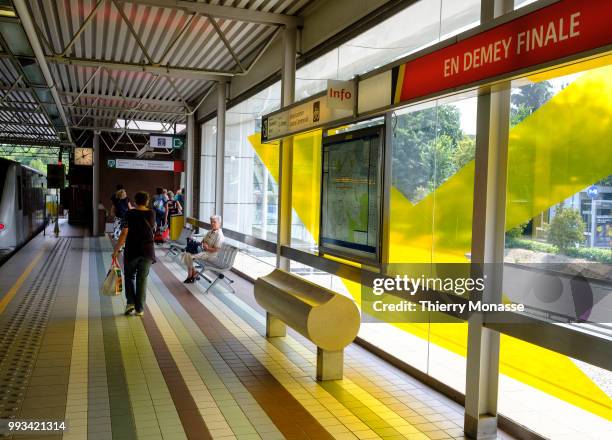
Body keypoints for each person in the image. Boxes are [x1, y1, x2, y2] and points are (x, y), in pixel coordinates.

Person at [112, 191, 156, 317]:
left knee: (130, 277)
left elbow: (124, 233)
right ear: (147, 201)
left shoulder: (129, 213)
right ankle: (140, 309)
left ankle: (130, 303)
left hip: (132, 250)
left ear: (135, 201)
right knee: (142, 279)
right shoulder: (151, 213)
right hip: (147, 251)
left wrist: (116, 250)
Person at [183, 215, 224, 283]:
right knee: (186, 254)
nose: (212, 223)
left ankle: (190, 275)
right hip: (204, 251)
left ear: (219, 223)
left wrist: (207, 248)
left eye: (214, 222)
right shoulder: (210, 231)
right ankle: (193, 273)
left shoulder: (219, 235)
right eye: (211, 222)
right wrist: (202, 244)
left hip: (211, 255)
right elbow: (203, 241)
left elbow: (217, 250)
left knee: (188, 256)